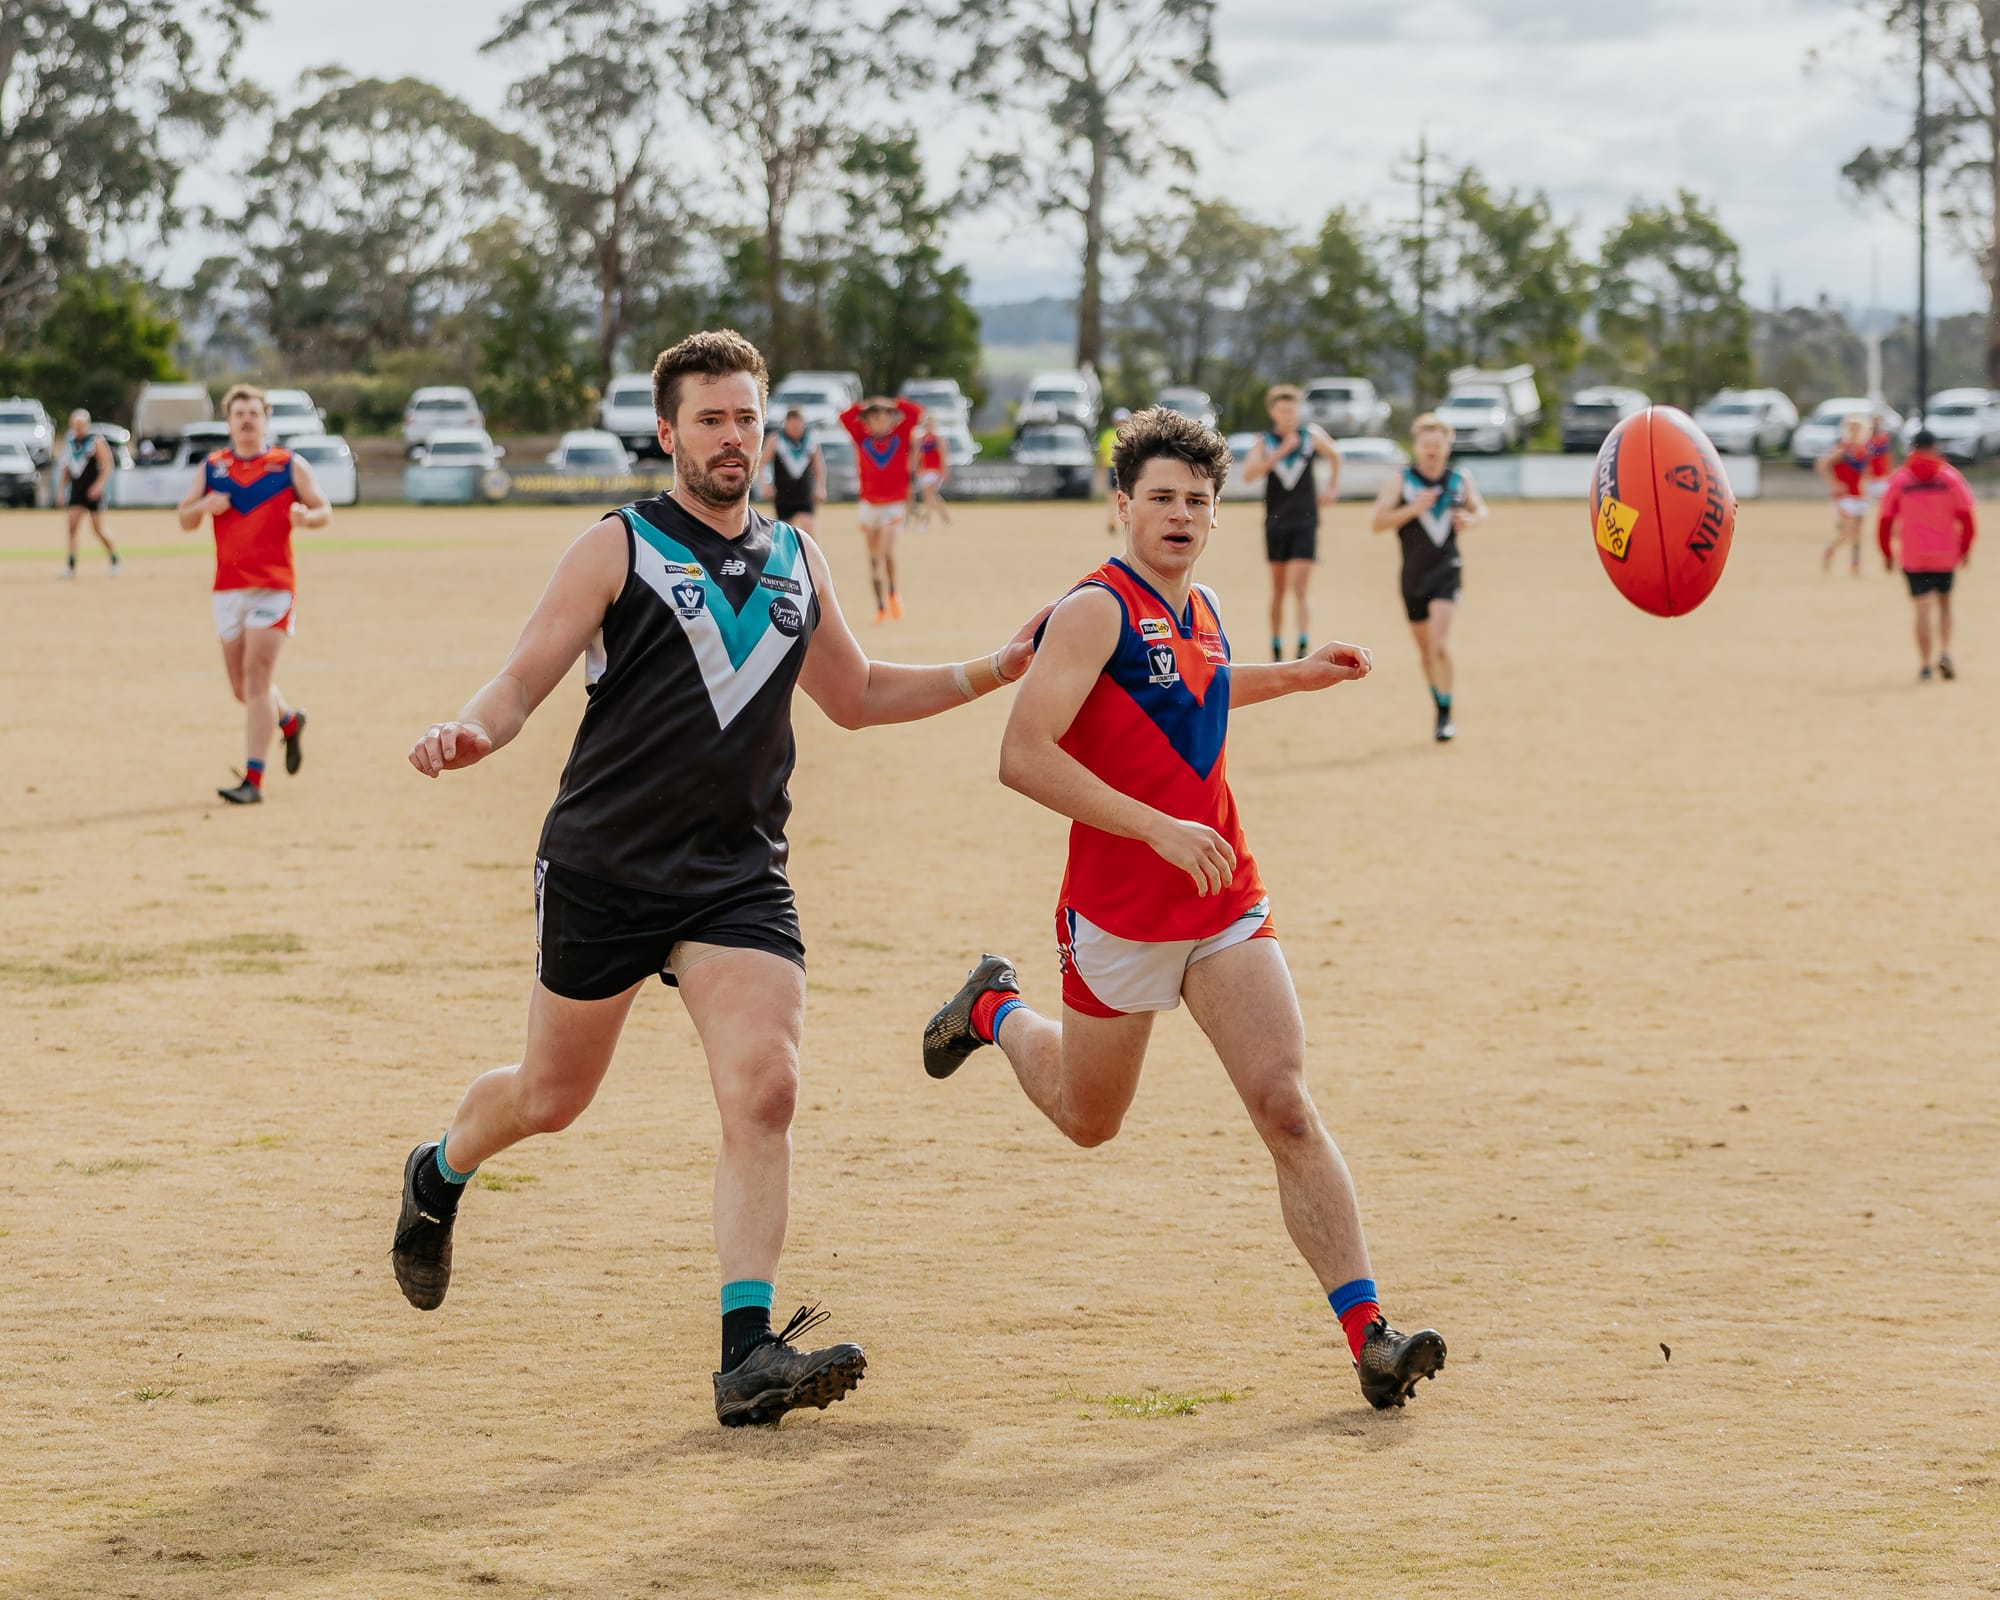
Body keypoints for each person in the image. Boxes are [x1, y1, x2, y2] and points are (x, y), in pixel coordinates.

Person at [391, 330, 1043, 1429]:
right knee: (551, 1099)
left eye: (746, 417)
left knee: (766, 1088)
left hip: (737, 874)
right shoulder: (619, 547)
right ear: (667, 433)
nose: (733, 437)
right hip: (605, 866)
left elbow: (858, 691)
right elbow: (521, 677)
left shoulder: (797, 555)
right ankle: (438, 1170)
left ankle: (747, 1353)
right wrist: (470, 733)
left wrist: (994, 667)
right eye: (710, 419)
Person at [921, 406, 1447, 1413]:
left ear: (1213, 517)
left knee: (1284, 1105)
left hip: (1222, 904)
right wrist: (1155, 827)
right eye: (1158, 496)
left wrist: (1291, 677)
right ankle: (994, 1009)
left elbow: (1190, 689)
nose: (1176, 513)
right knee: (1088, 1120)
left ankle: (1367, 1334)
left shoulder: (1200, 605)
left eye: (1195, 501)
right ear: (1122, 505)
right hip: (1117, 915)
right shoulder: (1091, 610)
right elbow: (1020, 754)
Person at [176, 385, 328, 804]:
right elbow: (183, 519)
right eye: (239, 413)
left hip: (273, 589)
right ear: (228, 422)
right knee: (243, 690)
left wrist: (305, 517)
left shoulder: (287, 466)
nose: (246, 420)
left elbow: (324, 510)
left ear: (265, 420)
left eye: (253, 413)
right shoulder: (213, 468)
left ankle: (253, 781)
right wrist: (205, 506)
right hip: (227, 591)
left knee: (258, 681)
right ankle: (290, 722)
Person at [1369, 413, 1486, 743]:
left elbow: (1480, 510)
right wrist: (1413, 509)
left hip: (1447, 570)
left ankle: (1446, 716)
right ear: (1417, 447)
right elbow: (1377, 522)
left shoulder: (1459, 479)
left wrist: (1470, 519)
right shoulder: (1402, 481)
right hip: (1412, 576)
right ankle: (1439, 703)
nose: (1432, 450)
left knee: (1439, 645)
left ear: (1448, 446)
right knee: (1425, 654)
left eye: (1438, 444)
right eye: (1426, 444)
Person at [1240, 384, 1342, 661]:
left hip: (1306, 521)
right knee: (1278, 588)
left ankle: (1302, 644)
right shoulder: (1264, 442)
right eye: (1282, 410)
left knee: (1300, 587)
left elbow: (1335, 455)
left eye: (1292, 410)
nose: (1288, 415)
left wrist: (1331, 488)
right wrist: (1279, 453)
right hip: (1275, 523)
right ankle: (1275, 645)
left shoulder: (1310, 436)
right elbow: (1248, 474)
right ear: (1273, 411)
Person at [1878, 427, 1976, 681]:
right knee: (1945, 604)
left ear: (1912, 449)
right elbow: (1966, 518)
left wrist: (1887, 552)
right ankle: (1945, 651)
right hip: (1945, 553)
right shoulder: (1950, 478)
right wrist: (1965, 548)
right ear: (1935, 448)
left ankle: (1924, 664)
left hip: (1913, 555)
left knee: (1922, 609)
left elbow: (1886, 520)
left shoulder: (1900, 480)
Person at [838, 394, 921, 623]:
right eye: (875, 418)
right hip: (869, 506)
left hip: (893, 506)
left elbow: (914, 412)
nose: (881, 422)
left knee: (886, 553)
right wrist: (866, 406)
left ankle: (893, 591)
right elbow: (845, 417)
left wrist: (891, 404)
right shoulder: (862, 438)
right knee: (873, 559)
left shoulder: (900, 436)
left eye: (885, 418)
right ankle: (880, 605)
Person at [56, 410, 119, 578]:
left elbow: (107, 465)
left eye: (80, 425)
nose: (77, 428)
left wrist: (99, 486)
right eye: (74, 425)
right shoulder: (70, 443)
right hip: (77, 491)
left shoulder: (95, 442)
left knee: (98, 529)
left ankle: (114, 558)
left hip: (92, 491)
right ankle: (71, 565)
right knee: (72, 527)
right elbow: (66, 470)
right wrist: (61, 490)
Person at [1817, 414, 1871, 576]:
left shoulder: (1863, 450)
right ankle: (1830, 550)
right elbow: (1822, 464)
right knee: (1850, 530)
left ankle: (1855, 564)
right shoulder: (1842, 449)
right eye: (1852, 429)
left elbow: (1865, 472)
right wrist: (1833, 483)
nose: (1855, 432)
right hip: (1845, 496)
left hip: (1859, 495)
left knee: (1857, 532)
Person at [759, 406, 825, 535]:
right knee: (785, 534)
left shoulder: (811, 439)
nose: (795, 426)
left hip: (804, 493)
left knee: (809, 531)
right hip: (783, 494)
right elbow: (762, 463)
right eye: (792, 422)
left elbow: (818, 466)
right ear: (786, 423)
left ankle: (808, 555)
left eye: (798, 423)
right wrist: (765, 485)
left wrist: (820, 486)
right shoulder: (776, 439)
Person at [913, 411, 951, 530]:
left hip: (935, 471)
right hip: (925, 470)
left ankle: (925, 520)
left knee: (929, 495)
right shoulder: (921, 439)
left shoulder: (938, 438)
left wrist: (944, 471)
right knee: (931, 496)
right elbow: (918, 455)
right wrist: (917, 468)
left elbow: (943, 455)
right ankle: (945, 516)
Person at [1099, 407, 1130, 536]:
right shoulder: (1107, 435)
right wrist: (1100, 469)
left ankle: (1127, 521)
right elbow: (1102, 453)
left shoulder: (1130, 435)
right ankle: (1111, 521)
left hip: (1126, 467)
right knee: (1112, 497)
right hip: (1112, 468)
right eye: (1119, 420)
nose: (1121, 423)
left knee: (1127, 496)